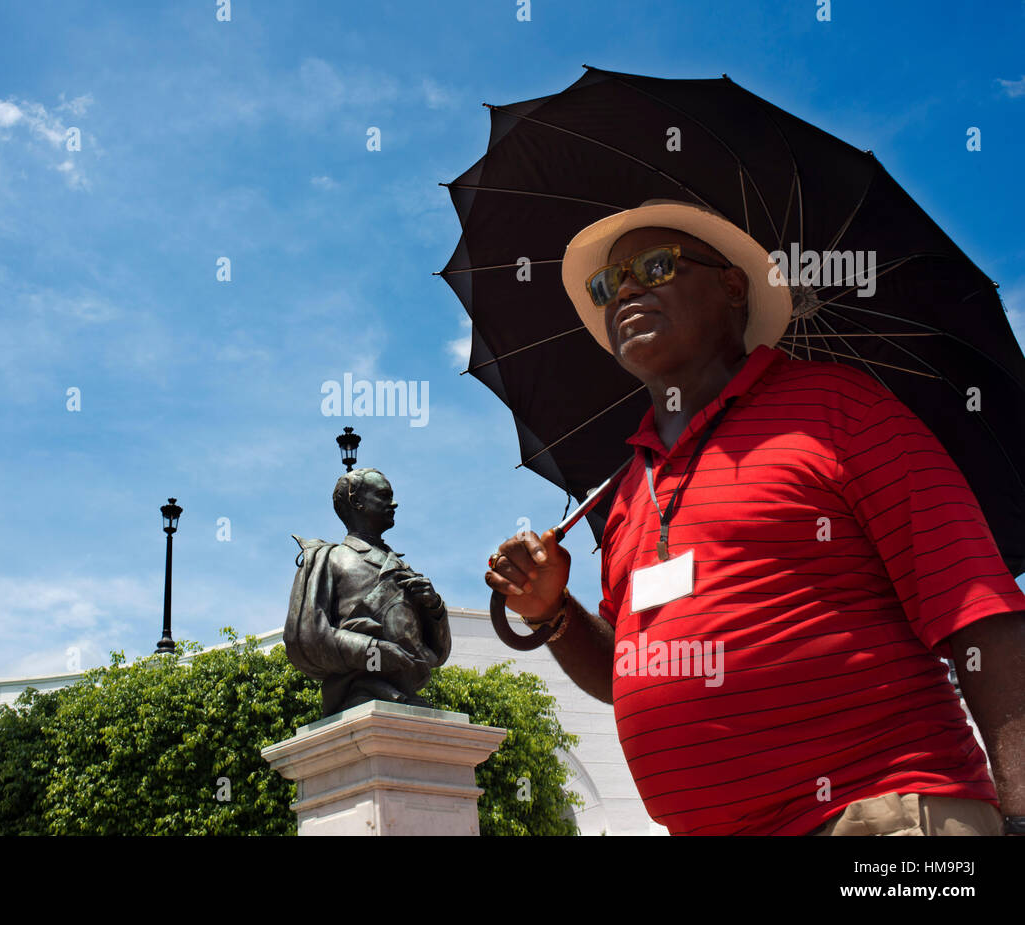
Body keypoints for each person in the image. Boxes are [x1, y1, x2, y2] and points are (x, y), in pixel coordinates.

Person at [485, 199, 1025, 836]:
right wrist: (553, 612)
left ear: (731, 286)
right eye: (610, 283)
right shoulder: (630, 488)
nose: (625, 288)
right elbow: (622, 673)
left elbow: (976, 610)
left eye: (655, 267)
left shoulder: (839, 410)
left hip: (880, 817)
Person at [286, 468, 452, 716]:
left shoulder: (403, 568)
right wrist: (374, 650)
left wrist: (435, 608)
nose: (393, 503)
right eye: (383, 496)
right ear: (356, 502)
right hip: (355, 694)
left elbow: (436, 655)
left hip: (405, 691)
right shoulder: (328, 558)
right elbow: (307, 636)